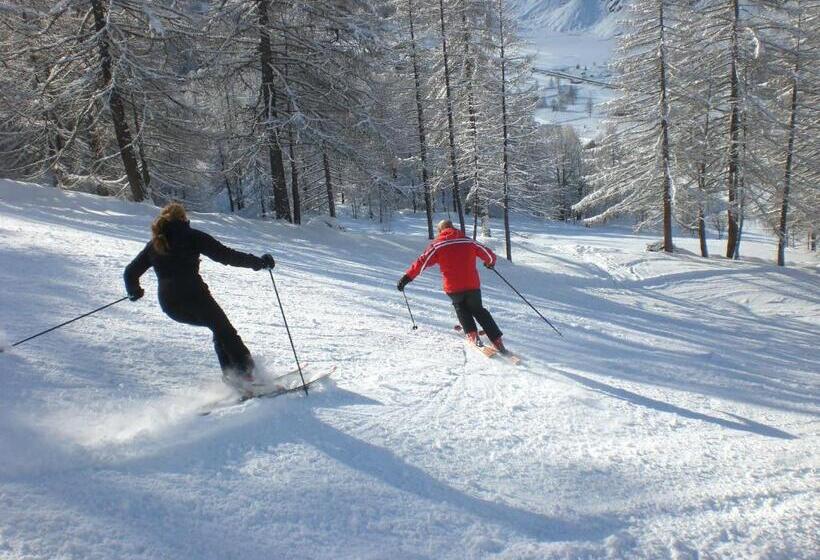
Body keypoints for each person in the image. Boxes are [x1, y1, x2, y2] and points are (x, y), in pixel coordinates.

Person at [124, 202, 275, 390]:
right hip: (195, 298)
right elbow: (226, 256)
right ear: (183, 218)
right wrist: (259, 263)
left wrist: (134, 291)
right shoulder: (192, 236)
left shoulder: (154, 245)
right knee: (226, 332)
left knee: (219, 329)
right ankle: (247, 376)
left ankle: (234, 376)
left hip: (170, 306)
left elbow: (130, 272)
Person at [397, 219, 508, 353]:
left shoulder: (437, 245)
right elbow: (489, 255)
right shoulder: (468, 241)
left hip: (453, 287)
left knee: (461, 308)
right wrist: (489, 263)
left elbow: (421, 262)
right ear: (453, 227)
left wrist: (406, 278)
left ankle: (473, 336)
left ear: (440, 231)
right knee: (479, 310)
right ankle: (497, 340)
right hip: (472, 285)